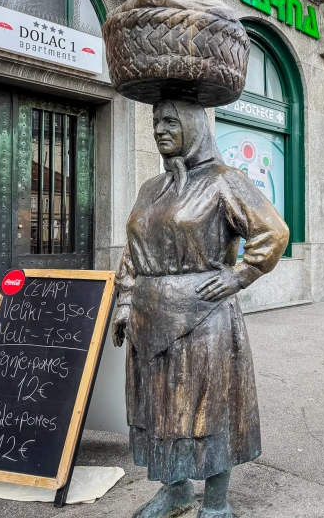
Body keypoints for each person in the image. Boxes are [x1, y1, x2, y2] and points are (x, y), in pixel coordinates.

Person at [112, 100, 289, 518]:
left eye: (170, 121)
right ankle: (174, 491)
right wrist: (124, 300)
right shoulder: (150, 189)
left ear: (193, 126)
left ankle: (215, 502)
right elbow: (132, 251)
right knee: (159, 408)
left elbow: (273, 232)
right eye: (156, 121)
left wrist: (239, 275)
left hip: (205, 316)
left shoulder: (225, 181)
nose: (160, 129)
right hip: (149, 316)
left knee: (209, 411)